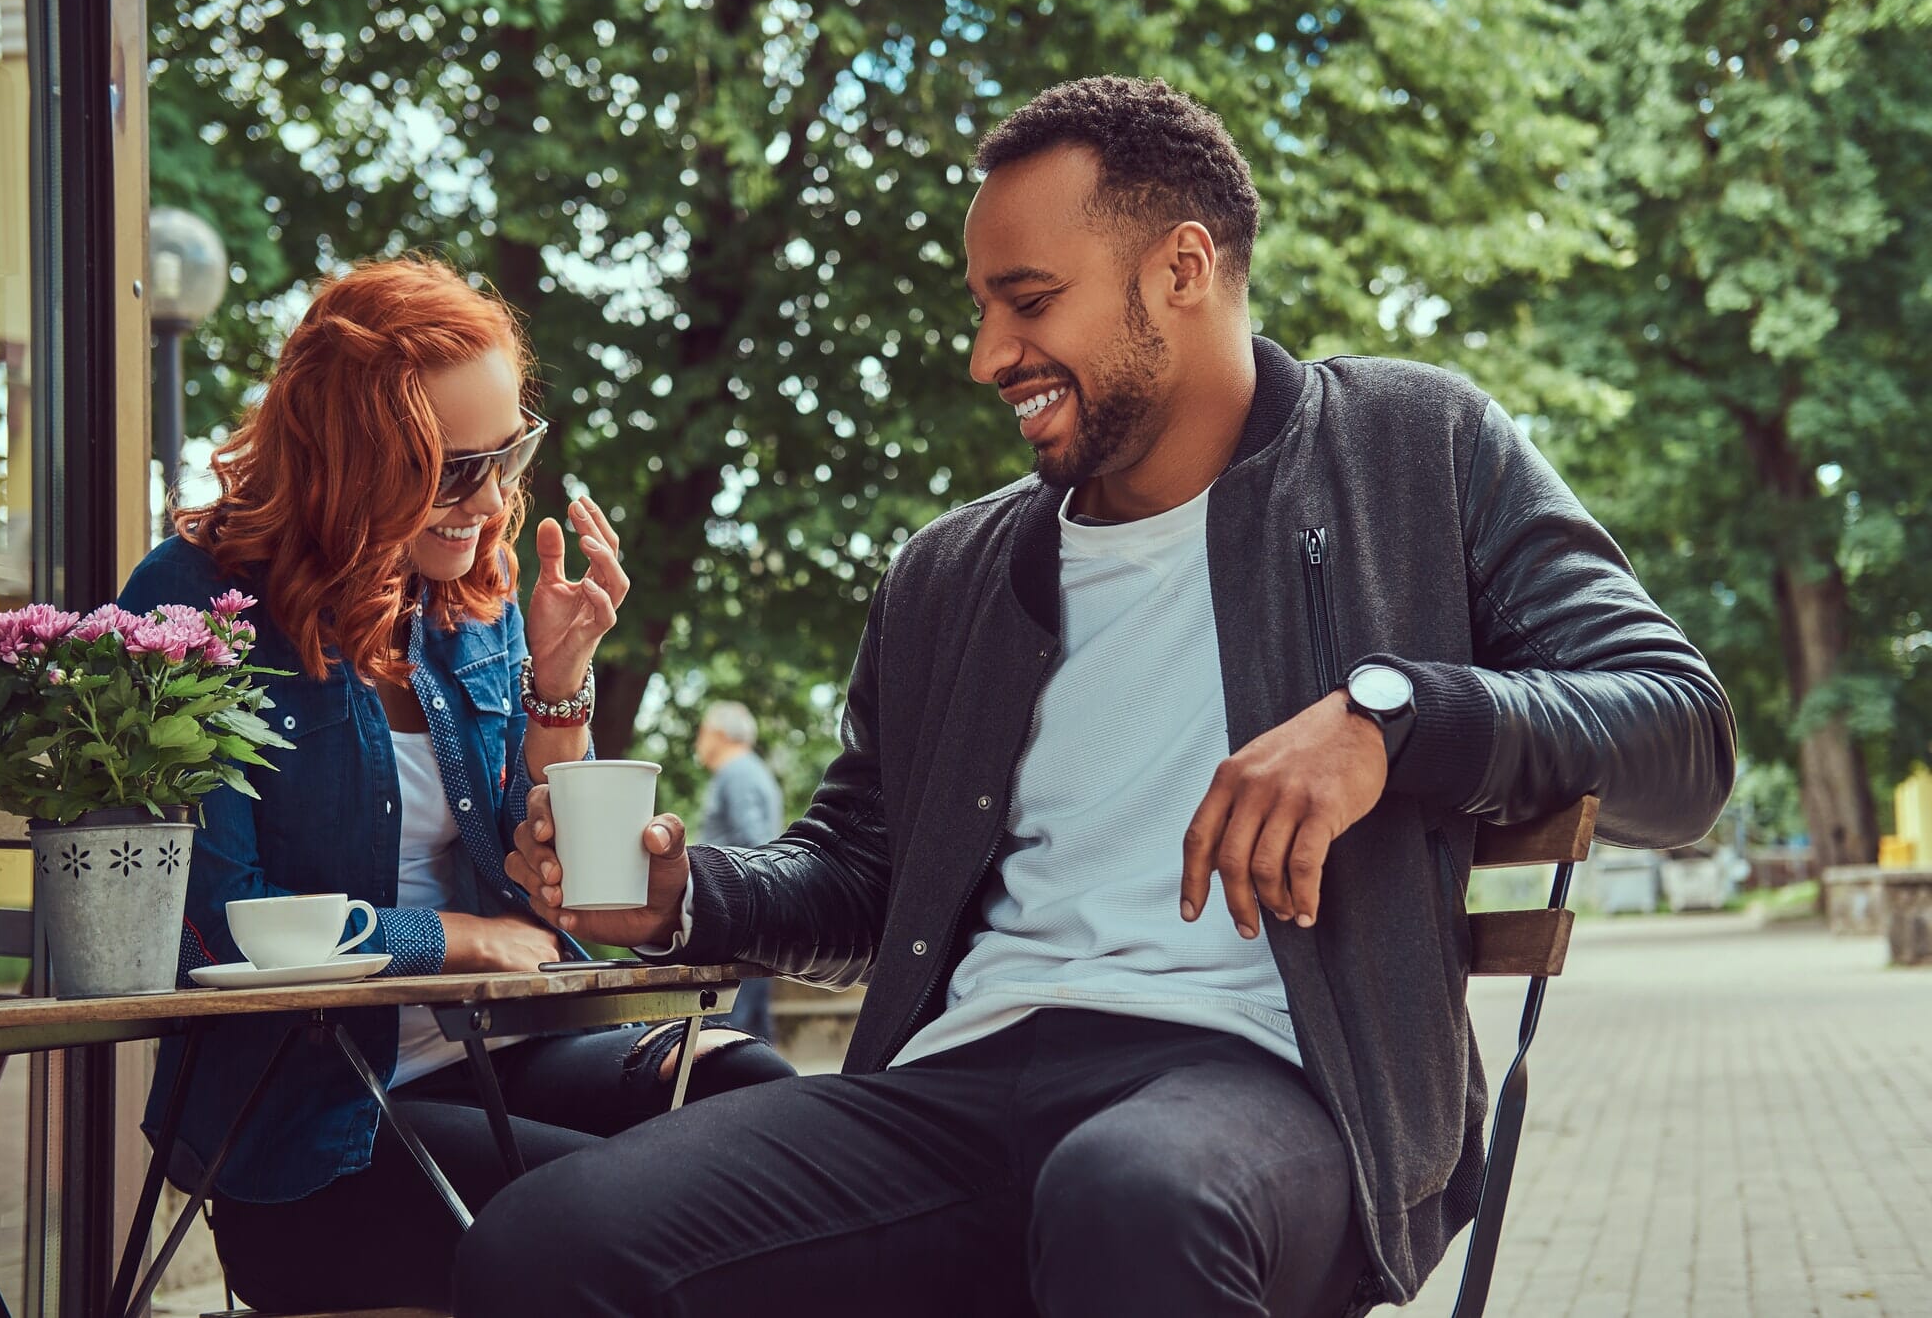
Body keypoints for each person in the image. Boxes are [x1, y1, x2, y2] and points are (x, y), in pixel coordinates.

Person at [458, 77, 1736, 1317]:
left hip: (1271, 1085)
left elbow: (1679, 735)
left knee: (1127, 1200)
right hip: (956, 1082)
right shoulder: (948, 572)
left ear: (1180, 268)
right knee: (547, 1242)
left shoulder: (1413, 448)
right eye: (980, 306)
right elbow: (863, 876)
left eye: (1027, 301)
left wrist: (1387, 719)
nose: (985, 355)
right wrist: (691, 895)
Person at [117, 257, 793, 1313]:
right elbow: (208, 927)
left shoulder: (472, 603)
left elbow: (562, 896)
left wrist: (559, 688)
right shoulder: (191, 601)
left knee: (752, 1096)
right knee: (619, 1216)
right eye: (446, 470)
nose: (484, 503)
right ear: (349, 456)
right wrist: (453, 941)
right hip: (308, 1117)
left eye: (503, 456)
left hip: (497, 1052)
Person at [693, 700, 784, 1040]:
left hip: (737, 913)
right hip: (751, 913)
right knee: (752, 1022)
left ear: (718, 734)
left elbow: (755, 841)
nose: (698, 742)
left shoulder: (737, 773)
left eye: (702, 733)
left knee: (732, 1022)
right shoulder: (753, 770)